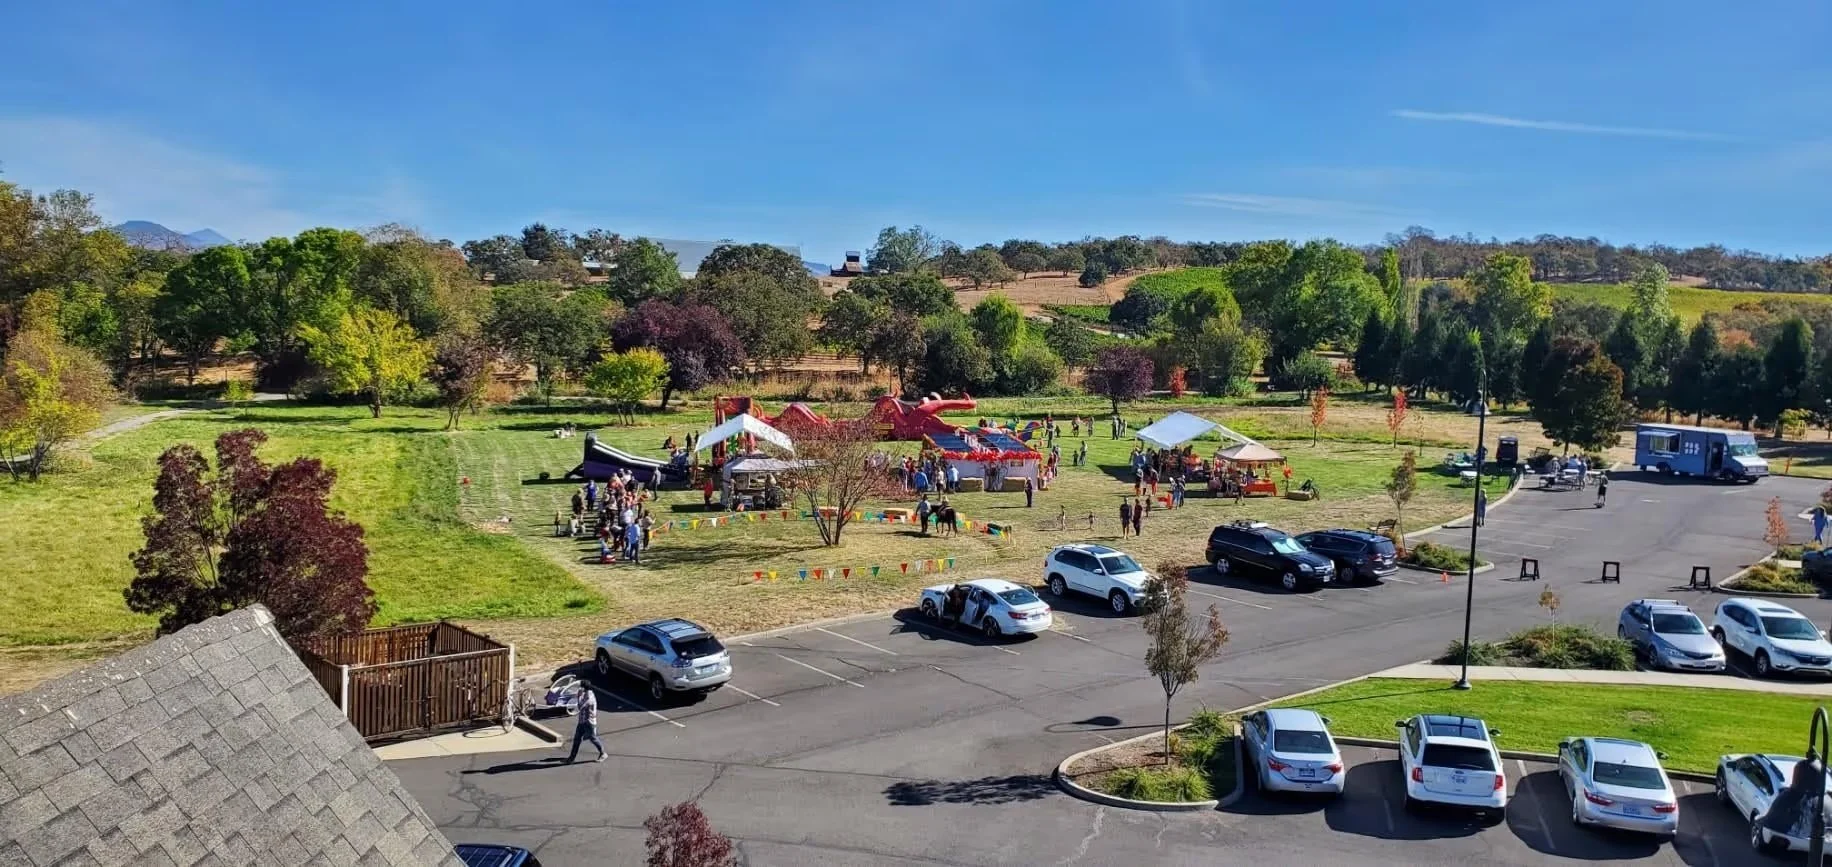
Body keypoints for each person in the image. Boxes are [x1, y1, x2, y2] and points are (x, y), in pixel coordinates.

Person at [566, 685, 605, 763]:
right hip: (582, 721)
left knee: (593, 738)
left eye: (581, 687)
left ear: (585, 688)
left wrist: (579, 696)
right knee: (577, 739)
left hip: (589, 722)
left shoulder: (590, 698)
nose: (580, 688)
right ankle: (571, 758)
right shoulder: (585, 694)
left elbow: (581, 706)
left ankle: (603, 753)